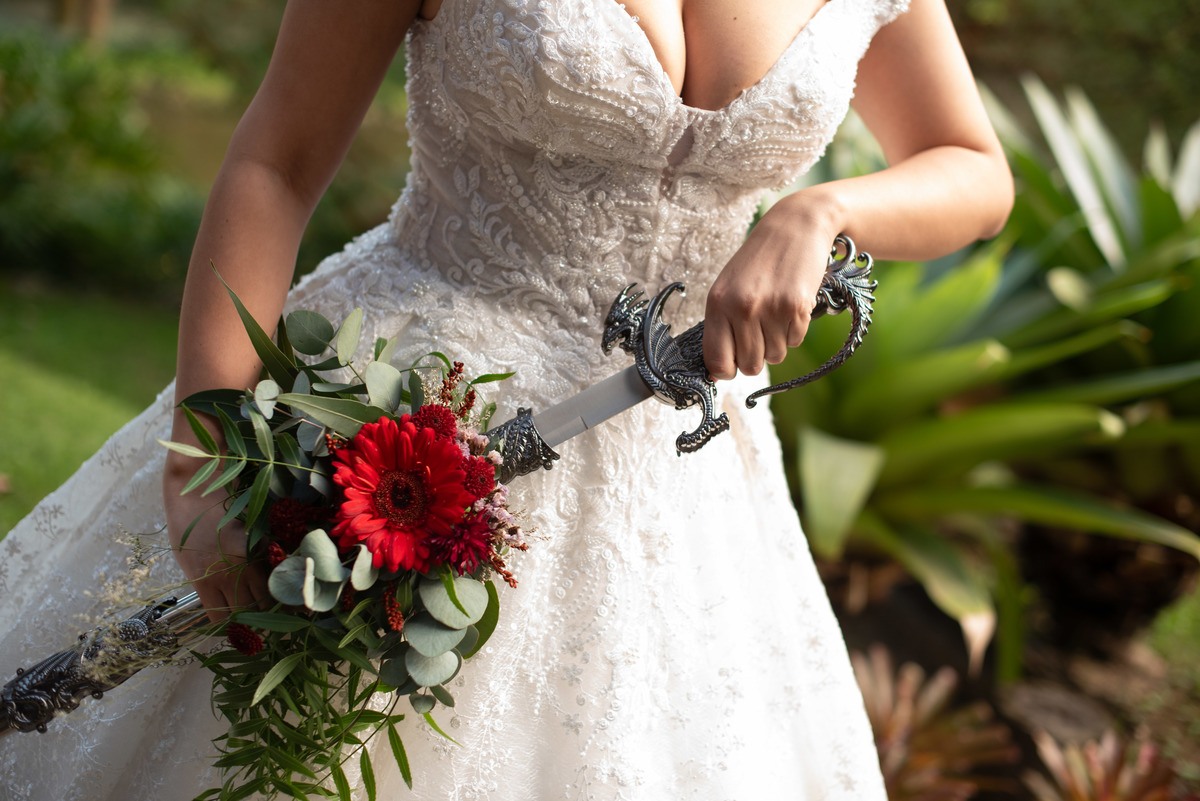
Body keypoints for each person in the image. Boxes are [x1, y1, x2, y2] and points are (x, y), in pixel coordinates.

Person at [0, 0, 1012, 797]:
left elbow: (974, 167)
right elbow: (278, 158)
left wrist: (821, 210)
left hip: (686, 487)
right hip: (403, 411)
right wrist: (205, 455)